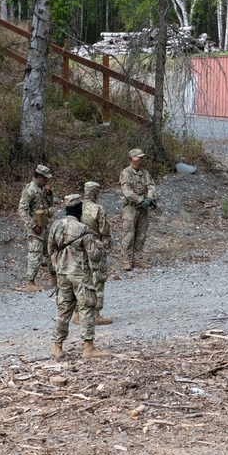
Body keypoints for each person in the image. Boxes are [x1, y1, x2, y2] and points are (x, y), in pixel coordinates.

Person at [48, 194, 108, 359]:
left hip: (62, 273)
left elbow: (50, 249)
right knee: (86, 307)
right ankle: (88, 347)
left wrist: (57, 267)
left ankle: (57, 347)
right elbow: (95, 255)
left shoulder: (56, 226)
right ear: (79, 210)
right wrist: (100, 246)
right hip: (80, 275)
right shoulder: (82, 229)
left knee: (63, 309)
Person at [79, 181, 113, 325]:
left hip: (79, 247)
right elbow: (104, 230)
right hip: (94, 246)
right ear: (95, 193)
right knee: (98, 278)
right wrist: (107, 243)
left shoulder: (76, 206)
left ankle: (78, 313)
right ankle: (96, 313)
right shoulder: (97, 209)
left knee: (81, 279)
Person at [18, 165, 56, 292]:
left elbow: (49, 204)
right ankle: (30, 282)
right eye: (45, 178)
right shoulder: (30, 190)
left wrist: (49, 194)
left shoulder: (41, 189)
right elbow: (22, 210)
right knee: (35, 253)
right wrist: (33, 225)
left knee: (50, 251)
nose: (47, 181)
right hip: (35, 227)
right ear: (39, 177)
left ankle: (54, 278)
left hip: (44, 224)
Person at [119, 148, 157, 271]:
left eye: (142, 157)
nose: (141, 159)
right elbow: (127, 191)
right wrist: (140, 200)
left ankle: (138, 258)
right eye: (138, 157)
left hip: (143, 209)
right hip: (131, 207)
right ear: (132, 158)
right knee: (128, 234)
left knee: (141, 234)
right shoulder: (126, 173)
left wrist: (149, 199)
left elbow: (151, 186)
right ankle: (126, 260)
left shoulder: (144, 173)